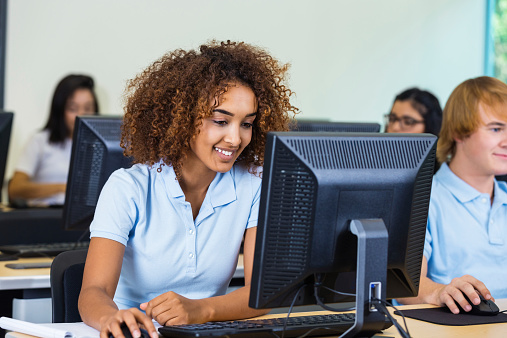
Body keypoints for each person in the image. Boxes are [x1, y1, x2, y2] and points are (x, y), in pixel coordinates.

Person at [78, 40, 298, 338]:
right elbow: (93, 291)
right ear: (181, 118)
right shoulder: (128, 187)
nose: (235, 139)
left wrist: (201, 309)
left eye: (246, 124)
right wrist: (110, 318)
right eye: (221, 121)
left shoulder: (254, 185)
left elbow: (261, 295)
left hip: (207, 332)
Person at [397, 76, 507, 314]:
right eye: (496, 129)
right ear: (458, 131)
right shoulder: (424, 198)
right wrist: (438, 292)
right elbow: (404, 285)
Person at [8, 74, 99, 206]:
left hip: (89, 217)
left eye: (87, 108)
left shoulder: (100, 146)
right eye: (73, 108)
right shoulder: (40, 141)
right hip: (46, 216)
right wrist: (63, 188)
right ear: (60, 110)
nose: (81, 116)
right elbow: (15, 189)